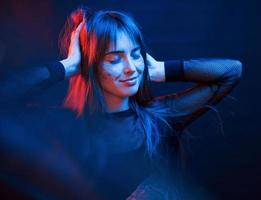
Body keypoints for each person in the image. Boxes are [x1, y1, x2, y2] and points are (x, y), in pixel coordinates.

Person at [0, 7, 242, 200]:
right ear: (90, 65)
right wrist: (70, 65)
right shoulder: (66, 125)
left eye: (135, 54)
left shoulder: (162, 117)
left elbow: (231, 71)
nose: (131, 68)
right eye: (115, 59)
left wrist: (158, 70)